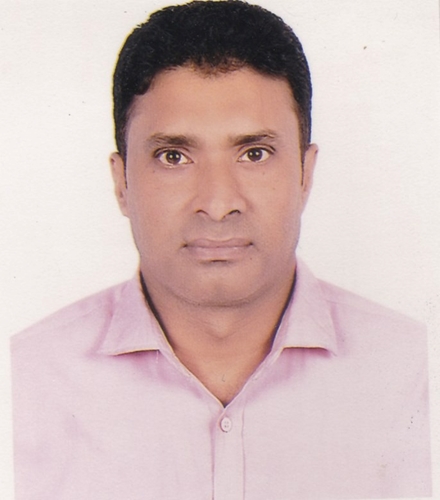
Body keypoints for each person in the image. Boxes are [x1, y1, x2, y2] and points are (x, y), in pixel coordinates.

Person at [11, 1, 431, 499]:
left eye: (254, 153)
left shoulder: (416, 371)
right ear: (121, 183)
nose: (217, 204)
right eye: (174, 156)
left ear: (306, 174)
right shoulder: (23, 382)